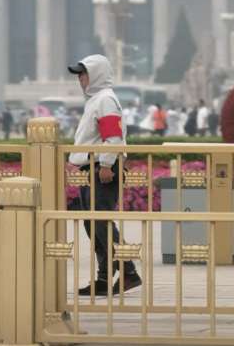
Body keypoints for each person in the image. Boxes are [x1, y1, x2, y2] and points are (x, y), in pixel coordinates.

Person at [65, 54, 142, 297]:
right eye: (79, 74)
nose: (80, 78)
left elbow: (114, 138)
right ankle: (104, 278)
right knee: (94, 226)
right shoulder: (96, 100)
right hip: (92, 168)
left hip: (102, 169)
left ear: (96, 74)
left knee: (101, 225)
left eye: (83, 73)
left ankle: (128, 272)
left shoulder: (106, 100)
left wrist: (107, 164)